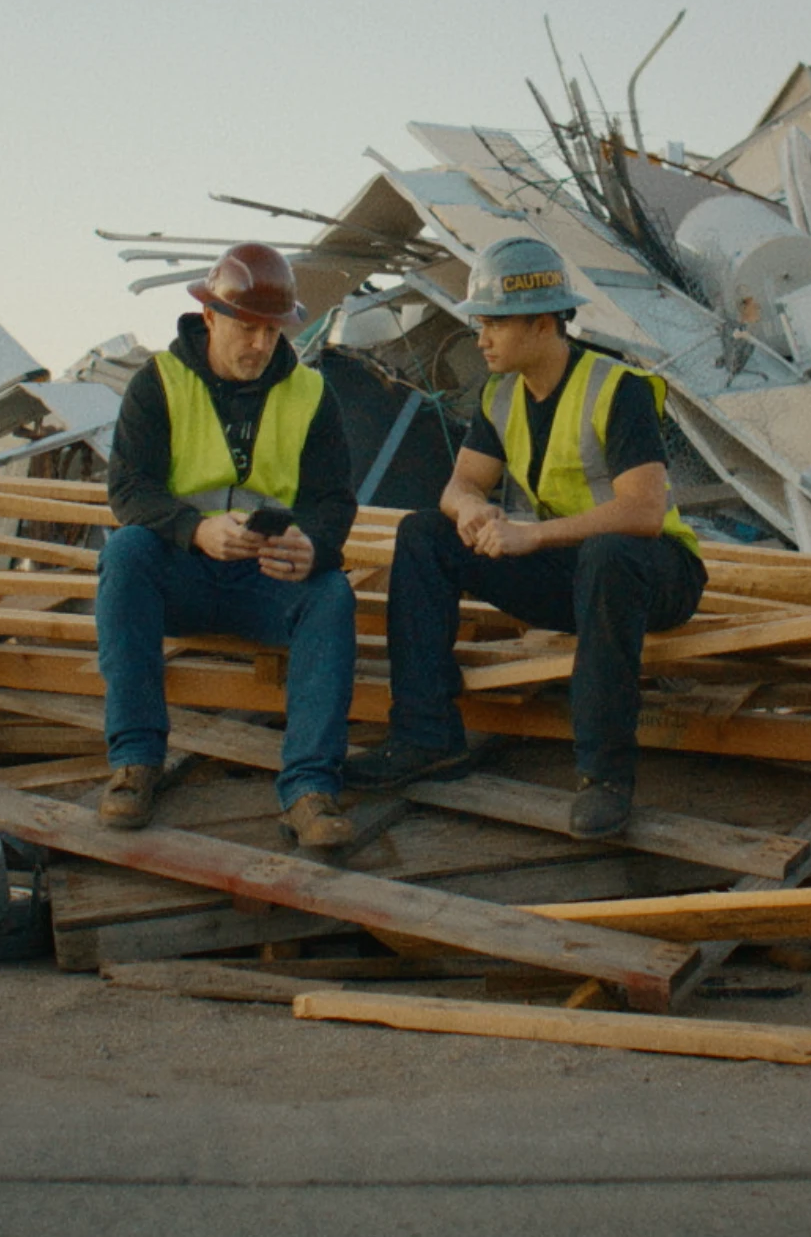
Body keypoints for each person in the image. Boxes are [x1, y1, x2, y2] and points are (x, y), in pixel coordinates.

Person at [343, 236, 704, 838]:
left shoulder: (620, 389)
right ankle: (425, 735)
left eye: (494, 325)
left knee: (609, 553)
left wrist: (532, 537)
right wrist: (471, 513)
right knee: (424, 535)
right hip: (571, 571)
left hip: (653, 575)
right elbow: (459, 485)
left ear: (542, 324)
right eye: (480, 323)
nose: (480, 339)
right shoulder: (501, 393)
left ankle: (605, 777)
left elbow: (642, 513)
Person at [97, 241, 361, 849]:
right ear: (210, 316)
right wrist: (193, 529)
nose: (261, 345)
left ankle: (310, 790)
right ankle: (136, 762)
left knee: (332, 596)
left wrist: (312, 546)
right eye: (247, 327)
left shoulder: (312, 393)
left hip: (266, 578)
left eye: (273, 331)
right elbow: (128, 488)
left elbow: (333, 501)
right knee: (126, 554)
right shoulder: (158, 383)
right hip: (183, 572)